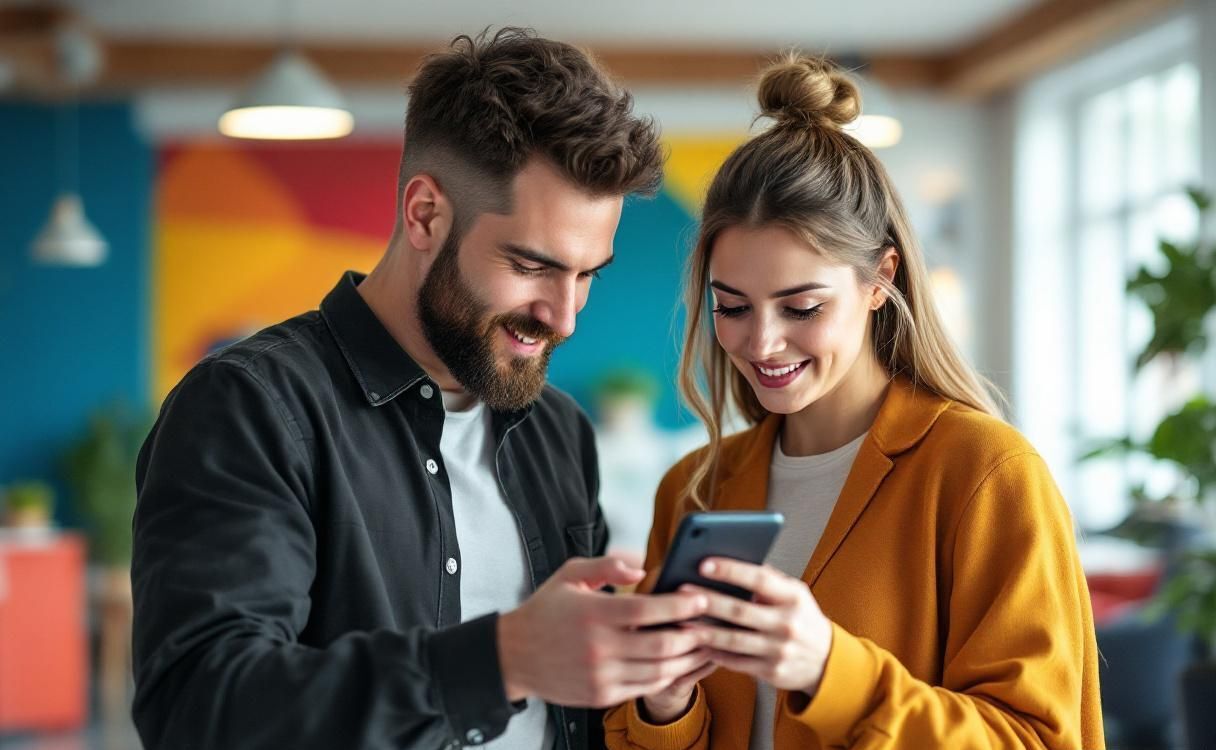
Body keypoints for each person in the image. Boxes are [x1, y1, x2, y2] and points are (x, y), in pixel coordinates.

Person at [131, 28, 715, 750]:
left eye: (588, 273)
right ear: (425, 215)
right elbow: (198, 709)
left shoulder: (556, 430)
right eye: (533, 265)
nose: (565, 315)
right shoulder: (252, 409)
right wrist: (502, 660)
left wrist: (654, 689)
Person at [605, 55, 1104, 750]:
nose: (763, 343)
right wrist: (663, 705)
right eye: (733, 307)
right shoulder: (694, 491)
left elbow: (1042, 740)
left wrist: (830, 671)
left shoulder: (986, 475)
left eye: (801, 306)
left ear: (880, 279)